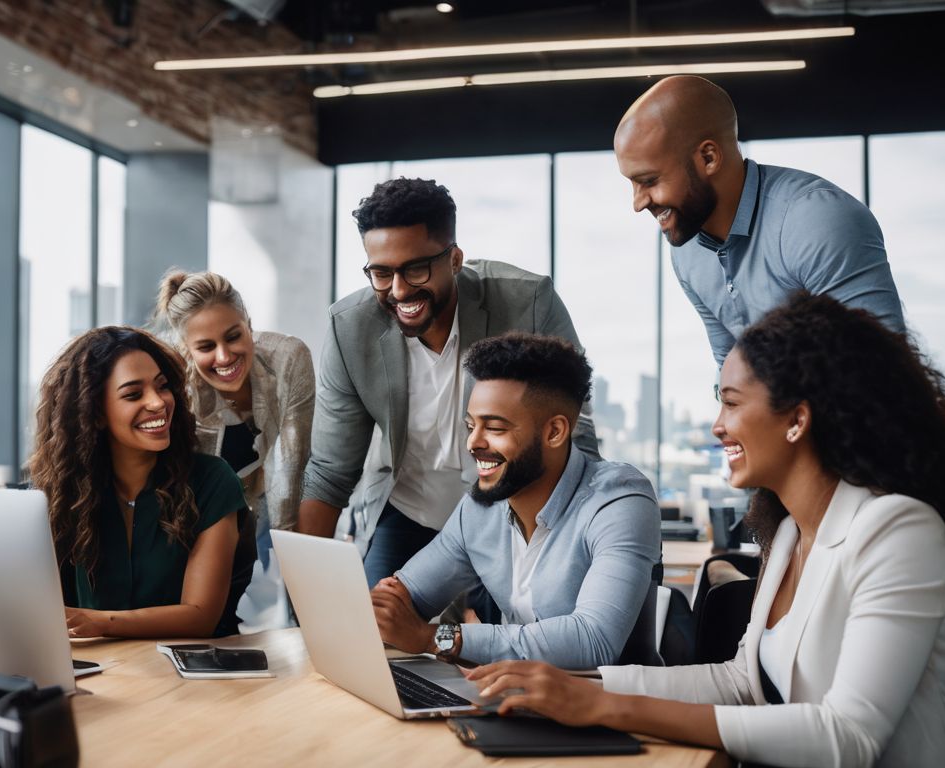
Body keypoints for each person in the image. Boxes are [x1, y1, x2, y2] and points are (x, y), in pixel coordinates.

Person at [468, 293, 945, 767]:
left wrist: (607, 706)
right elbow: (741, 682)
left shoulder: (898, 529)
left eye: (730, 402)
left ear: (796, 419)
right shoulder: (790, 534)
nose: (717, 425)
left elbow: (847, 737)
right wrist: (576, 686)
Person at [297, 176, 601, 588]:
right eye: (381, 273)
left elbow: (573, 438)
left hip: (508, 512)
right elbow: (331, 471)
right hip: (407, 511)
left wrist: (584, 549)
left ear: (455, 259)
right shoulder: (349, 329)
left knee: (507, 642)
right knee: (374, 634)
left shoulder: (528, 304)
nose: (399, 291)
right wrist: (308, 592)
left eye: (415, 269)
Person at [371, 333, 659, 668]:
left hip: (608, 706)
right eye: (471, 425)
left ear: (554, 432)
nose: (473, 443)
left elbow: (593, 641)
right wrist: (382, 609)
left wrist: (436, 638)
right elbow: (407, 597)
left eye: (494, 428)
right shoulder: (479, 509)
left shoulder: (620, 501)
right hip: (512, 697)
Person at [614, 75, 905, 367]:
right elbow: (730, 373)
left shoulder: (814, 219)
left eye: (649, 180)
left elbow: (880, 371)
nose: (638, 203)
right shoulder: (687, 251)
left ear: (709, 158)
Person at [29, 326, 255, 639]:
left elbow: (200, 616)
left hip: (196, 674)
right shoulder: (65, 492)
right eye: (134, 394)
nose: (158, 403)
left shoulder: (212, 480)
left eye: (162, 387)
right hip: (103, 671)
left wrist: (99, 622)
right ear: (95, 414)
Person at [155, 270, 314, 629]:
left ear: (249, 325)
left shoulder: (289, 358)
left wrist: (295, 575)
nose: (224, 357)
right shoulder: (179, 387)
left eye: (233, 336)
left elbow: (289, 469)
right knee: (221, 608)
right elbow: (189, 486)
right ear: (187, 350)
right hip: (215, 506)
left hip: (278, 492)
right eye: (206, 347)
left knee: (296, 598)